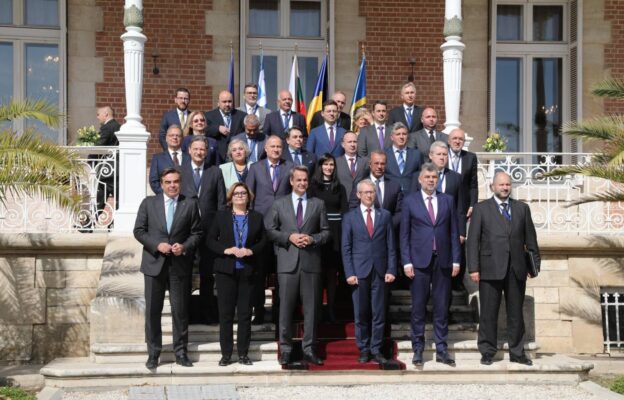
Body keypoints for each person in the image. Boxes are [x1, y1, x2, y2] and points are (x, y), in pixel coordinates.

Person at [467, 172, 540, 367]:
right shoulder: (481, 209)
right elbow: (473, 241)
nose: (505, 187)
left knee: (516, 313)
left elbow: (531, 239)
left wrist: (534, 266)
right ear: (493, 187)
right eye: (501, 184)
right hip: (489, 269)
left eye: (508, 184)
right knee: (488, 313)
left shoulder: (522, 209)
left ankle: (517, 352)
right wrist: (473, 268)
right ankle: (487, 351)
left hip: (516, 269)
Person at [133, 167, 202, 369]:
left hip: (179, 266)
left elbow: (197, 233)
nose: (172, 185)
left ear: (180, 183)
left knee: (180, 311)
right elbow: (139, 231)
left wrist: (185, 247)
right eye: (168, 182)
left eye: (175, 182)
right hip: (154, 264)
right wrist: (157, 245)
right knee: (153, 312)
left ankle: (181, 353)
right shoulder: (148, 203)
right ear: (161, 184)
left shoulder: (190, 204)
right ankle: (154, 353)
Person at [265, 166, 331, 366]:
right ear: (291, 181)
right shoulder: (279, 204)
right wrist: (289, 237)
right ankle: (285, 349)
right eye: (299, 180)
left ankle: (309, 348)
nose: (302, 183)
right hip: (287, 264)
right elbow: (270, 229)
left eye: (305, 180)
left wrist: (313, 239)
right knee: (285, 308)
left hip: (311, 263)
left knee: (311, 309)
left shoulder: (318, 204)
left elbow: (326, 232)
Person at [400, 163, 461, 367]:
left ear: (438, 179)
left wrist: (456, 260)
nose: (431, 180)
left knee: (441, 307)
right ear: (420, 180)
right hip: (419, 261)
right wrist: (406, 261)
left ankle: (442, 349)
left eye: (434, 177)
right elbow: (404, 234)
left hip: (443, 260)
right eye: (427, 177)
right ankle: (418, 348)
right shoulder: (410, 201)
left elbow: (454, 232)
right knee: (418, 307)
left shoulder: (447, 200)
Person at [206, 182, 267, 367]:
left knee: (245, 315)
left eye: (243, 193)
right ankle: (226, 354)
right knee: (225, 315)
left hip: (247, 271)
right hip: (226, 271)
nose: (240, 196)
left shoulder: (257, 217)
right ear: (230, 197)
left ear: (249, 197)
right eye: (236, 193)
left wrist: (251, 251)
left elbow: (264, 241)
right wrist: (225, 250)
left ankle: (243, 354)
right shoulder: (221, 216)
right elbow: (210, 240)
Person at [342, 179, 396, 364]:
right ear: (358, 195)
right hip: (359, 272)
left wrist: (391, 269)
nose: (369, 195)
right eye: (366, 192)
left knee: (379, 313)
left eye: (372, 192)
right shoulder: (350, 217)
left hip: (380, 271)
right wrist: (349, 272)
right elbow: (346, 247)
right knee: (361, 313)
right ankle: (364, 348)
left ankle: (376, 348)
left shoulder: (385, 215)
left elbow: (391, 245)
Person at [245, 135, 294, 324]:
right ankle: (258, 312)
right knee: (259, 273)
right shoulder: (255, 168)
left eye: (279, 146)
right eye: (272, 146)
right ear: (265, 149)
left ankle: (278, 313)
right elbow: (249, 196)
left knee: (281, 274)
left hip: (283, 228)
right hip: (261, 228)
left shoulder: (290, 167)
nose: (276, 149)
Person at [181, 136, 227, 324]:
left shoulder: (215, 171)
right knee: (184, 272)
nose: (199, 152)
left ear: (207, 152)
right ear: (189, 150)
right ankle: (186, 315)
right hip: (186, 230)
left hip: (209, 230)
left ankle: (208, 314)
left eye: (202, 149)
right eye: (196, 149)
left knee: (207, 274)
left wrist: (219, 229)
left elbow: (221, 202)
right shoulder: (180, 171)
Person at [307, 154, 348, 323]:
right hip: (318, 232)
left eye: (331, 164)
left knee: (332, 273)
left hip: (336, 233)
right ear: (320, 166)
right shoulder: (312, 187)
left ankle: (331, 309)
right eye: (325, 164)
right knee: (318, 273)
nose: (328, 168)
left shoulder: (340, 187)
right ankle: (316, 309)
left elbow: (345, 211)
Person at [447, 128, 479, 290]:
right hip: (444, 205)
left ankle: (458, 281)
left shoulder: (470, 157)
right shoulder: (442, 155)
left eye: (460, 139)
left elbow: (473, 184)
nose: (457, 141)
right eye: (454, 138)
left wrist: (473, 204)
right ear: (449, 140)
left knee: (460, 241)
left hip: (463, 207)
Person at [349, 150, 403, 230]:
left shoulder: (395, 186)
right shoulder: (360, 184)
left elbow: (400, 211)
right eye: (376, 163)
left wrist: (388, 225)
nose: (379, 167)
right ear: (370, 164)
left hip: (389, 231)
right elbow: (353, 208)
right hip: (366, 231)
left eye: (382, 164)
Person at [206, 90, 247, 162]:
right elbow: (204, 130)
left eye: (229, 101)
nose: (227, 104)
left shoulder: (242, 116)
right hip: (216, 157)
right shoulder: (209, 116)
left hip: (236, 158)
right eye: (224, 102)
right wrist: (218, 128)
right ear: (218, 103)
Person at [384, 122, 423, 194]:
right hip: (390, 194)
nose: (401, 137)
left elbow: (421, 175)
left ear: (407, 136)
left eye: (404, 134)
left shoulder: (416, 154)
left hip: (411, 194)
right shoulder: (384, 154)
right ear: (392, 137)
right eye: (398, 134)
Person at [94, 106, 120, 214]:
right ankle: (116, 220)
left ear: (106, 114)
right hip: (117, 167)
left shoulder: (106, 127)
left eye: (98, 114)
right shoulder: (118, 126)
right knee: (118, 197)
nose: (97, 117)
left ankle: (92, 219)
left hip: (108, 168)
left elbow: (99, 146)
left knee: (100, 195)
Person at [149, 126, 188, 195]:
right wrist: (167, 195)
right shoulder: (157, 158)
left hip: (186, 198)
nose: (175, 137)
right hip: (165, 198)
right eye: (171, 135)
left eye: (178, 135)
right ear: (166, 138)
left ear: (182, 138)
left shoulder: (189, 158)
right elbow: (154, 181)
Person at [336, 131, 369, 198]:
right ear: (343, 144)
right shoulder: (336, 162)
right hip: (342, 200)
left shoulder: (365, 161)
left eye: (355, 142)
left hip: (360, 199)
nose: (352, 144)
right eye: (349, 142)